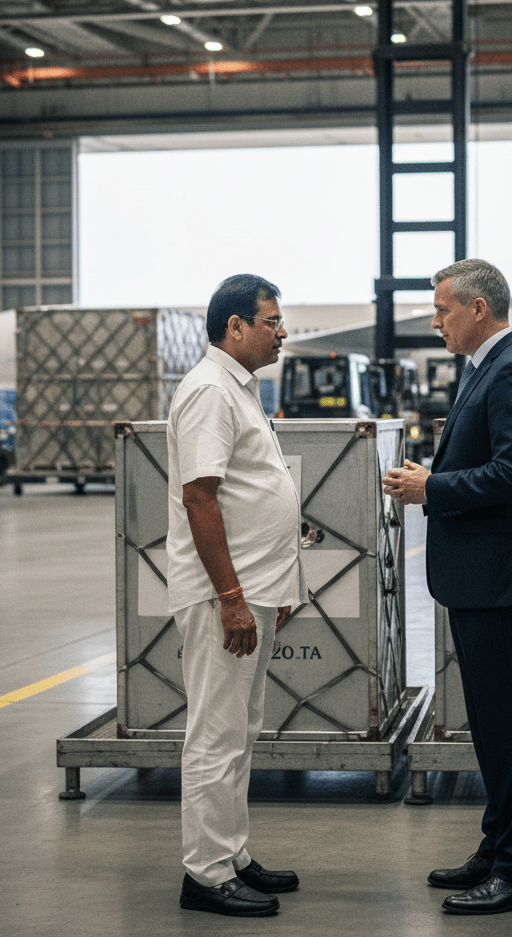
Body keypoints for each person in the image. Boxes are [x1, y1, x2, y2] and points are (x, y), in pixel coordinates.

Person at [382, 259, 512, 916]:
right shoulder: (488, 370)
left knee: (508, 728)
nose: (434, 321)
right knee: (488, 725)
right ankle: (497, 848)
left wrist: (433, 488)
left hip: (500, 578)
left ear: (478, 308)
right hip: (483, 577)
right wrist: (438, 477)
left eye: (442, 310)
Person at [166, 274, 306, 918]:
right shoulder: (207, 391)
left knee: (241, 730)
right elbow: (201, 495)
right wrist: (229, 595)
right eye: (272, 321)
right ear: (235, 327)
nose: (282, 332)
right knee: (216, 734)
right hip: (222, 597)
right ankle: (206, 872)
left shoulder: (239, 389)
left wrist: (273, 588)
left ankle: (232, 854)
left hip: (252, 590)